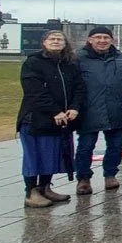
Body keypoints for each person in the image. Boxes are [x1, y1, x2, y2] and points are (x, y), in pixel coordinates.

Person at [17, 30, 84, 207]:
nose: (56, 41)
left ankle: (45, 187)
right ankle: (31, 192)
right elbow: (34, 90)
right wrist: (54, 111)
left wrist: (74, 108)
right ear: (44, 42)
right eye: (52, 39)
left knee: (52, 154)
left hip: (61, 119)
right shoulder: (33, 63)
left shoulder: (70, 64)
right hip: (35, 118)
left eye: (59, 39)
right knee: (34, 156)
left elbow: (79, 87)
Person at [74, 26, 122, 195]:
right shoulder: (79, 59)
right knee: (85, 146)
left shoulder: (121, 58)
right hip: (88, 109)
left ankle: (110, 174)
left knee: (116, 145)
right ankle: (83, 178)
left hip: (115, 108)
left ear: (112, 40)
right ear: (90, 39)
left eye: (106, 37)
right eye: (98, 37)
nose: (102, 41)